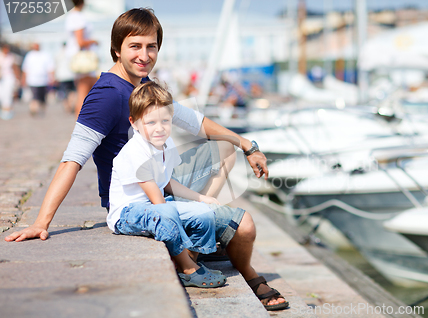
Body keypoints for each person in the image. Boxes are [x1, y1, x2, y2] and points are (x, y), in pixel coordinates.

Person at [5, 8, 288, 311]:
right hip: (135, 195)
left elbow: (192, 120)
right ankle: (241, 269)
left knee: (225, 149)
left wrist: (247, 144)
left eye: (151, 46)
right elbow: (72, 160)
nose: (144, 55)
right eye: (135, 46)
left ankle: (200, 233)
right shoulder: (106, 96)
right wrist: (41, 222)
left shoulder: (142, 83)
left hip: (161, 179)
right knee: (244, 228)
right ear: (116, 49)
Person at [110, 80, 225, 287]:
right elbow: (158, 199)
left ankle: (190, 261)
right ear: (134, 123)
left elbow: (167, 181)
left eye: (165, 121)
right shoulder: (136, 151)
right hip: (128, 213)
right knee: (167, 213)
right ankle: (189, 268)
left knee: (204, 212)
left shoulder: (166, 143)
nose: (159, 129)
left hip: (155, 207)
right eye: (151, 122)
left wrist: (202, 198)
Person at [65, 0, 98, 119]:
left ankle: (83, 120)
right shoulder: (78, 17)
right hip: (83, 60)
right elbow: (80, 41)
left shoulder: (72, 16)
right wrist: (94, 41)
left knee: (84, 90)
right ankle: (81, 121)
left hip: (76, 58)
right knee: (85, 90)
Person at [21, 43, 55, 117]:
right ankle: (34, 110)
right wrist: (23, 79)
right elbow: (25, 68)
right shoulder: (29, 55)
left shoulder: (45, 55)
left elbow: (50, 67)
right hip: (32, 80)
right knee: (34, 96)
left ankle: (41, 109)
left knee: (42, 97)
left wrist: (52, 77)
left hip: (43, 80)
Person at [0, 43, 20, 120]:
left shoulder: (12, 57)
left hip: (9, 77)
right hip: (1, 78)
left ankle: (7, 111)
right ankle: (3, 109)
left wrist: (17, 78)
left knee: (8, 94)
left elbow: (15, 68)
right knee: (1, 94)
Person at [55, 42, 76, 114]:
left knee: (64, 92)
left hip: (61, 76)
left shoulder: (58, 54)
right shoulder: (71, 53)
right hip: (71, 75)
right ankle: (71, 104)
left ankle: (67, 106)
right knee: (72, 91)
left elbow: (55, 66)